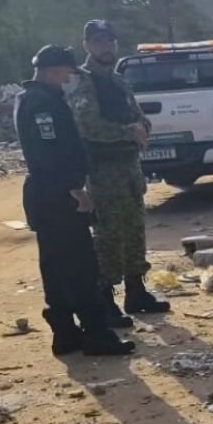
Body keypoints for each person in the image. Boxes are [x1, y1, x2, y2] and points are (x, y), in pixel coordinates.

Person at [14, 45, 135, 357]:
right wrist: (75, 188)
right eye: (68, 72)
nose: (70, 78)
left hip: (46, 194)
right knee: (81, 266)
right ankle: (97, 334)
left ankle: (66, 334)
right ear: (54, 70)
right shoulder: (42, 103)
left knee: (55, 267)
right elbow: (50, 153)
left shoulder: (35, 99)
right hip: (58, 195)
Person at [69, 20, 170, 322]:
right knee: (108, 237)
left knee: (134, 232)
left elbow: (140, 119)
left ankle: (136, 291)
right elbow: (87, 126)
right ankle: (105, 300)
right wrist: (129, 132)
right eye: (99, 42)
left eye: (110, 42)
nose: (105, 48)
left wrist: (141, 129)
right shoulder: (83, 81)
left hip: (128, 170)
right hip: (102, 172)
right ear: (87, 45)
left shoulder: (118, 81)